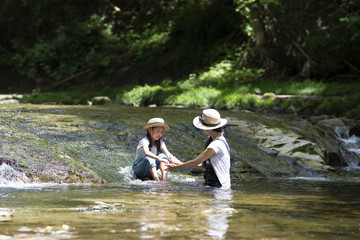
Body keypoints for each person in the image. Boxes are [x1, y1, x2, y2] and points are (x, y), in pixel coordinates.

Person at [166, 109, 231, 189]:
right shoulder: (219, 140)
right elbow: (204, 165)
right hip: (215, 186)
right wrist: (180, 163)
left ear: (207, 128)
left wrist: (177, 167)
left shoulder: (216, 145)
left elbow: (196, 162)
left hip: (219, 187)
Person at [132, 117, 181, 182]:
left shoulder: (161, 143)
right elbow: (147, 153)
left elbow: (168, 154)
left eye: (161, 132)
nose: (160, 134)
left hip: (150, 169)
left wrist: (177, 162)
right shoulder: (144, 141)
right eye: (158, 131)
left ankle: (164, 180)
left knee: (163, 156)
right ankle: (157, 181)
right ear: (150, 130)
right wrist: (158, 159)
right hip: (139, 170)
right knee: (150, 157)